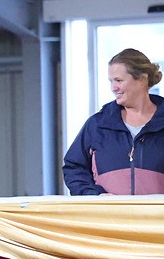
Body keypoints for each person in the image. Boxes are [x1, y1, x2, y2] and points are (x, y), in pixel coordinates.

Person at [63, 48, 164, 195]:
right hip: (108, 217)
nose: (113, 88)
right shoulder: (97, 125)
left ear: (142, 79)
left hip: (156, 217)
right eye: (111, 81)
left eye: (119, 80)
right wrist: (94, 196)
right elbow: (74, 168)